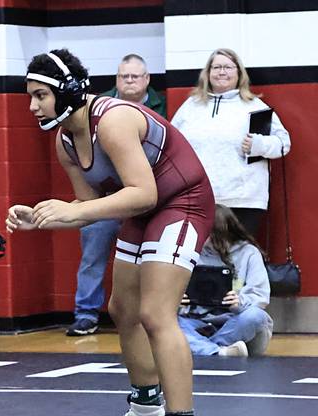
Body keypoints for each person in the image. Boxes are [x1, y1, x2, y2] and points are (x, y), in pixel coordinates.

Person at [8, 49, 215, 416]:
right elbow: (91, 209)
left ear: (68, 90)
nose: (32, 106)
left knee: (156, 313)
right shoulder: (65, 141)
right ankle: (145, 409)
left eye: (39, 96)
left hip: (181, 202)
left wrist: (76, 210)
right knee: (122, 307)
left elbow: (144, 192)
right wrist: (41, 218)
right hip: (142, 208)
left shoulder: (114, 120)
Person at [66, 54, 166, 337]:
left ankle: (152, 315)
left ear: (147, 80)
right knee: (92, 254)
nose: (130, 81)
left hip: (148, 198)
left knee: (153, 258)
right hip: (105, 196)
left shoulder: (162, 109)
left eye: (135, 76)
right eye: (124, 76)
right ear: (116, 80)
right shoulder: (96, 110)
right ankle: (85, 313)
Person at [171, 48, 291, 236]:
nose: (222, 72)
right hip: (197, 199)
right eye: (216, 67)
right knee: (198, 262)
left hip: (243, 201)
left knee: (236, 261)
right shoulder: (190, 107)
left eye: (228, 67)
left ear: (239, 73)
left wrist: (259, 145)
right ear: (208, 73)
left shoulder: (254, 106)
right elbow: (171, 144)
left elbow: (283, 143)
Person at [179, 204, 273, 357]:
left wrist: (239, 302)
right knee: (166, 322)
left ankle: (203, 348)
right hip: (196, 321)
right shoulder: (189, 252)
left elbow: (260, 295)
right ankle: (220, 351)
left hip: (234, 320)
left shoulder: (249, 253)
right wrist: (179, 302)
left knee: (256, 316)